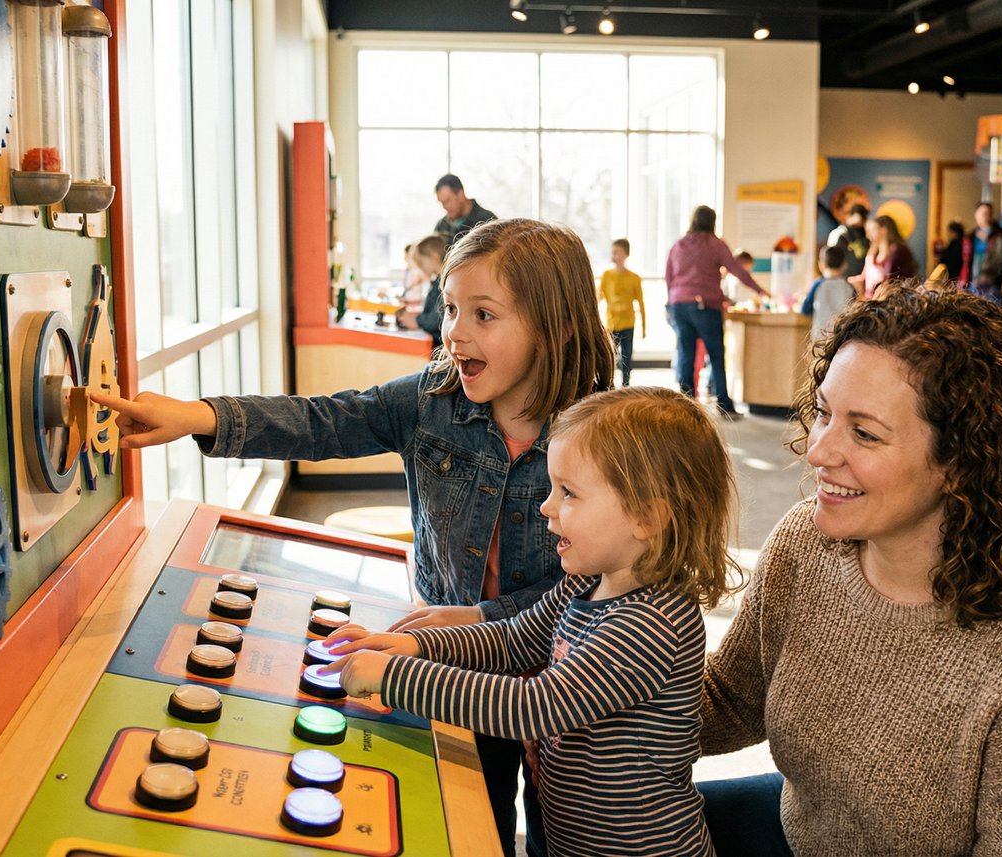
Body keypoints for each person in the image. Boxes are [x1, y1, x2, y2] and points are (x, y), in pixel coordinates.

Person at [89, 218, 616, 857]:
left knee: (559, 819)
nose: (453, 332)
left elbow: (597, 581)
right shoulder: (431, 398)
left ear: (555, 325)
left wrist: (479, 617)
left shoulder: (600, 437)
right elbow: (326, 422)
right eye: (450, 308)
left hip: (561, 675)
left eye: (484, 314)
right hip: (445, 654)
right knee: (470, 811)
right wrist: (198, 417)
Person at [696, 284, 1002, 857]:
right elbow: (731, 700)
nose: (819, 451)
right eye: (824, 413)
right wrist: (584, 701)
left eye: (864, 432)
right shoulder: (807, 543)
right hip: (813, 829)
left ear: (962, 459)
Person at [322, 386, 742, 857]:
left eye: (569, 494)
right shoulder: (587, 582)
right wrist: (421, 647)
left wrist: (397, 677)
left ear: (646, 516)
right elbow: (513, 641)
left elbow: (533, 705)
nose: (546, 506)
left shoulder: (652, 622)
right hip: (566, 834)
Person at [665, 205, 773, 418]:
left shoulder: (678, 245)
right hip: (705, 306)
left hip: (679, 304)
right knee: (716, 355)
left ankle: (687, 407)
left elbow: (669, 276)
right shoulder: (715, 245)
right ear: (712, 221)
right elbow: (738, 270)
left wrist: (672, 301)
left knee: (686, 355)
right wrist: (761, 291)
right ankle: (724, 406)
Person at [598, 238, 646, 386]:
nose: (614, 255)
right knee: (610, 357)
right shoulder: (607, 276)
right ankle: (608, 384)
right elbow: (598, 296)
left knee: (626, 357)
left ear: (626, 254)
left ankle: (626, 385)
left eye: (617, 252)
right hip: (611, 324)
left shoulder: (634, 278)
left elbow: (641, 303)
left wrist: (644, 327)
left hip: (628, 324)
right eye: (612, 252)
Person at [799, 244, 856, 341]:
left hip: (820, 338)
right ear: (844, 265)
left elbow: (805, 309)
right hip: (841, 338)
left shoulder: (817, 284)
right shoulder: (849, 287)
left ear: (821, 264)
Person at [854, 214, 916, 299]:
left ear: (884, 230)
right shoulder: (875, 250)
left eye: (873, 230)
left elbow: (888, 278)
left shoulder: (897, 250)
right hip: (877, 297)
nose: (869, 235)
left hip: (894, 298)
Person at [962, 201, 1002, 303]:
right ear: (976, 215)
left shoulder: (1001, 235)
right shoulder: (971, 236)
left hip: (993, 283)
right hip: (973, 282)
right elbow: (966, 261)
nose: (985, 217)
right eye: (982, 213)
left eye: (988, 213)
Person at [434, 173, 498, 249]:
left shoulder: (488, 222)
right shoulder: (441, 226)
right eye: (441, 202)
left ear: (460, 194)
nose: (444, 207)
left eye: (448, 201)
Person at [410, 234, 448, 349]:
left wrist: (417, 320)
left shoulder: (446, 282)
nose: (420, 269)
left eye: (421, 263)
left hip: (440, 347)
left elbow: (440, 317)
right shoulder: (436, 280)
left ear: (435, 257)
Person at [826, 202, 869, 278]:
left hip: (860, 277)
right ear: (850, 216)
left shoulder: (863, 234)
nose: (860, 223)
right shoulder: (839, 233)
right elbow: (832, 258)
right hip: (843, 278)